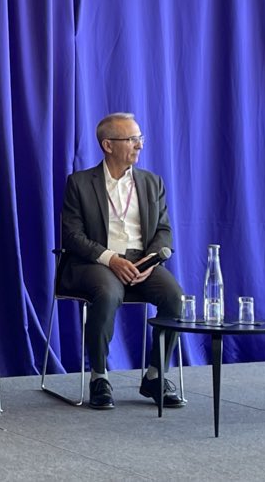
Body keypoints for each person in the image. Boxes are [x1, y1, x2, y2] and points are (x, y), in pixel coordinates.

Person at [59, 112, 186, 410]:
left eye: (140, 138)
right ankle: (99, 377)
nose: (139, 145)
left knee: (174, 297)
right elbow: (72, 235)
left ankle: (155, 375)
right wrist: (110, 259)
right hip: (96, 262)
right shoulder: (79, 183)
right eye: (132, 139)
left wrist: (151, 262)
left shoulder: (152, 182)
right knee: (108, 292)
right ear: (108, 145)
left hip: (142, 262)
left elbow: (164, 231)